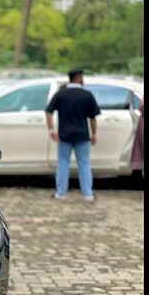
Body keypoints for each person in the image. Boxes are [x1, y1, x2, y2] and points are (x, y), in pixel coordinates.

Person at [45, 69, 101, 201]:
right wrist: (94, 134)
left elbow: (48, 112)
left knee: (63, 163)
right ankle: (88, 194)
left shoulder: (60, 94)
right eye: (82, 77)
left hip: (64, 135)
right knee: (84, 164)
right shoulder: (87, 95)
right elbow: (93, 118)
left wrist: (51, 130)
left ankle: (60, 193)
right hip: (82, 135)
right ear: (79, 78)